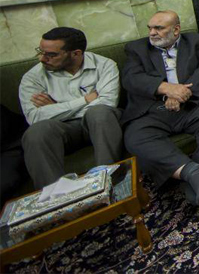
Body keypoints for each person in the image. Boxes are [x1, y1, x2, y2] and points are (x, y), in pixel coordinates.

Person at [122, 11, 199, 206]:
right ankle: (192, 172)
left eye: (159, 28)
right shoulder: (136, 49)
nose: (152, 33)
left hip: (191, 101)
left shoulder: (196, 41)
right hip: (153, 108)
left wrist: (181, 94)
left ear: (176, 29)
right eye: (150, 28)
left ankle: (197, 173)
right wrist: (165, 89)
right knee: (134, 137)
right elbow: (131, 78)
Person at [19, 27, 122, 189]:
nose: (42, 58)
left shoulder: (105, 65)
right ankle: (55, 196)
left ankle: (108, 183)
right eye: (40, 51)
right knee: (36, 131)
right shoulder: (33, 77)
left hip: (98, 125)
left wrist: (55, 108)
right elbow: (35, 117)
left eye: (51, 54)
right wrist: (84, 100)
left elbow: (108, 103)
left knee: (100, 113)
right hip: (63, 131)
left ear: (76, 53)